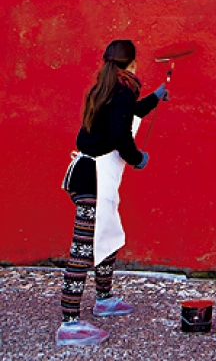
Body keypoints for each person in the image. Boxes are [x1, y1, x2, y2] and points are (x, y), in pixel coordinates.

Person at [55, 40, 168, 347]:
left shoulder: (105, 88)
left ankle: (103, 299)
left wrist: (155, 97)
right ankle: (69, 323)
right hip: (93, 180)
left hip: (88, 176)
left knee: (109, 235)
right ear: (131, 64)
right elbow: (121, 135)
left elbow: (126, 114)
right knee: (83, 250)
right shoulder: (122, 92)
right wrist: (136, 158)